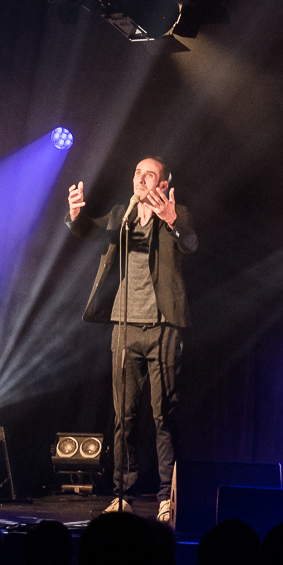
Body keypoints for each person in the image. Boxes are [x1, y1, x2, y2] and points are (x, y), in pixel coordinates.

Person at [66, 157, 197, 522]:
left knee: (163, 416)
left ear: (162, 184)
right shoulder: (120, 217)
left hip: (163, 328)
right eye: (137, 173)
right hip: (124, 327)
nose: (140, 178)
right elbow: (90, 231)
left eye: (149, 175)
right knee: (123, 416)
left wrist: (171, 221)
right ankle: (122, 493)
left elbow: (190, 243)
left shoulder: (177, 213)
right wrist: (75, 216)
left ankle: (167, 495)